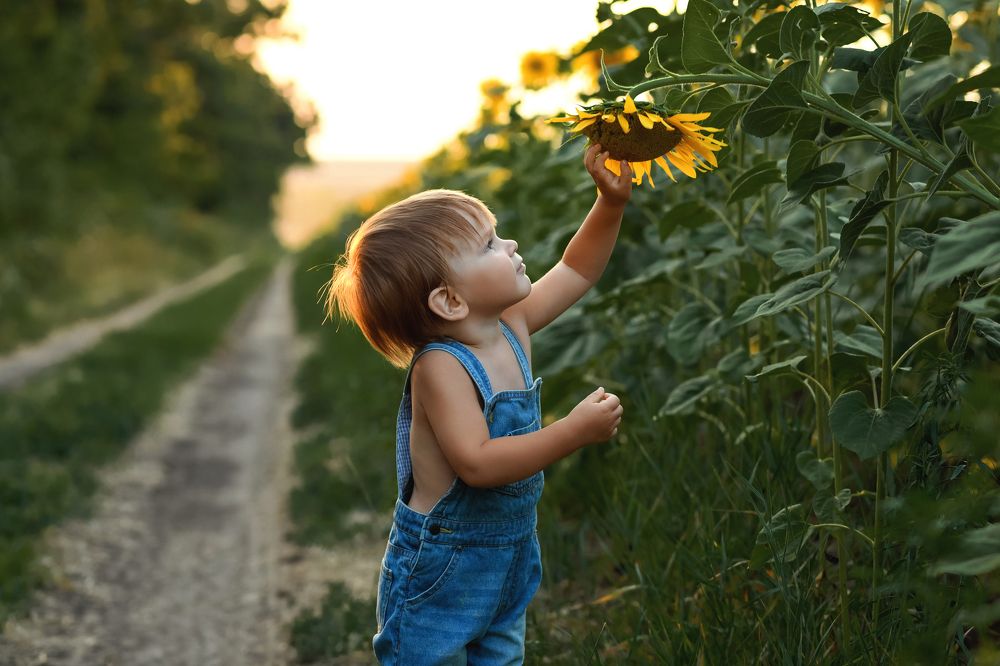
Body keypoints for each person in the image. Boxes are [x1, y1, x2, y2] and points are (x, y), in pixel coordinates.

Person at [323, 143, 632, 664]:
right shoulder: (442, 366)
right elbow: (479, 464)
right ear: (449, 300)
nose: (510, 244)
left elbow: (577, 271)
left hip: (508, 555)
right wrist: (573, 431)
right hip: (441, 569)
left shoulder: (509, 325)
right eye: (489, 245)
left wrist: (610, 203)